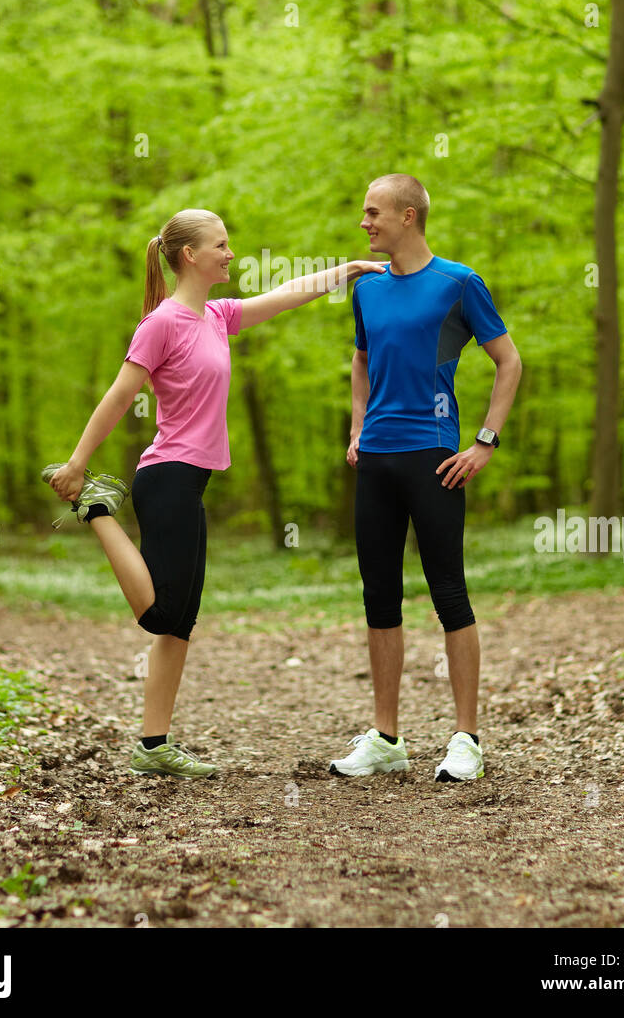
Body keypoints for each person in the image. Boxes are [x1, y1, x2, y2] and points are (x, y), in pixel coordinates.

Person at [43, 209, 384, 779]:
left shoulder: (216, 317)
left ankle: (154, 746)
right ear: (189, 257)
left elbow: (285, 294)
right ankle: (99, 510)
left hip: (190, 481)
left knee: (181, 623)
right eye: (221, 245)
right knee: (158, 614)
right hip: (167, 477)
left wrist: (344, 270)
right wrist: (79, 463)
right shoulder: (162, 323)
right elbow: (121, 393)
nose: (230, 253)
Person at [330, 174, 522, 783]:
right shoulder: (368, 291)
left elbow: (509, 361)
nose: (364, 222)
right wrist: (358, 428)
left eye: (373, 212)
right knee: (378, 598)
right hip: (377, 461)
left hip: (435, 457)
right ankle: (387, 738)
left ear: (408, 215)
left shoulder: (459, 284)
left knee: (449, 594)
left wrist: (485, 443)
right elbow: (361, 362)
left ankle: (466, 739)